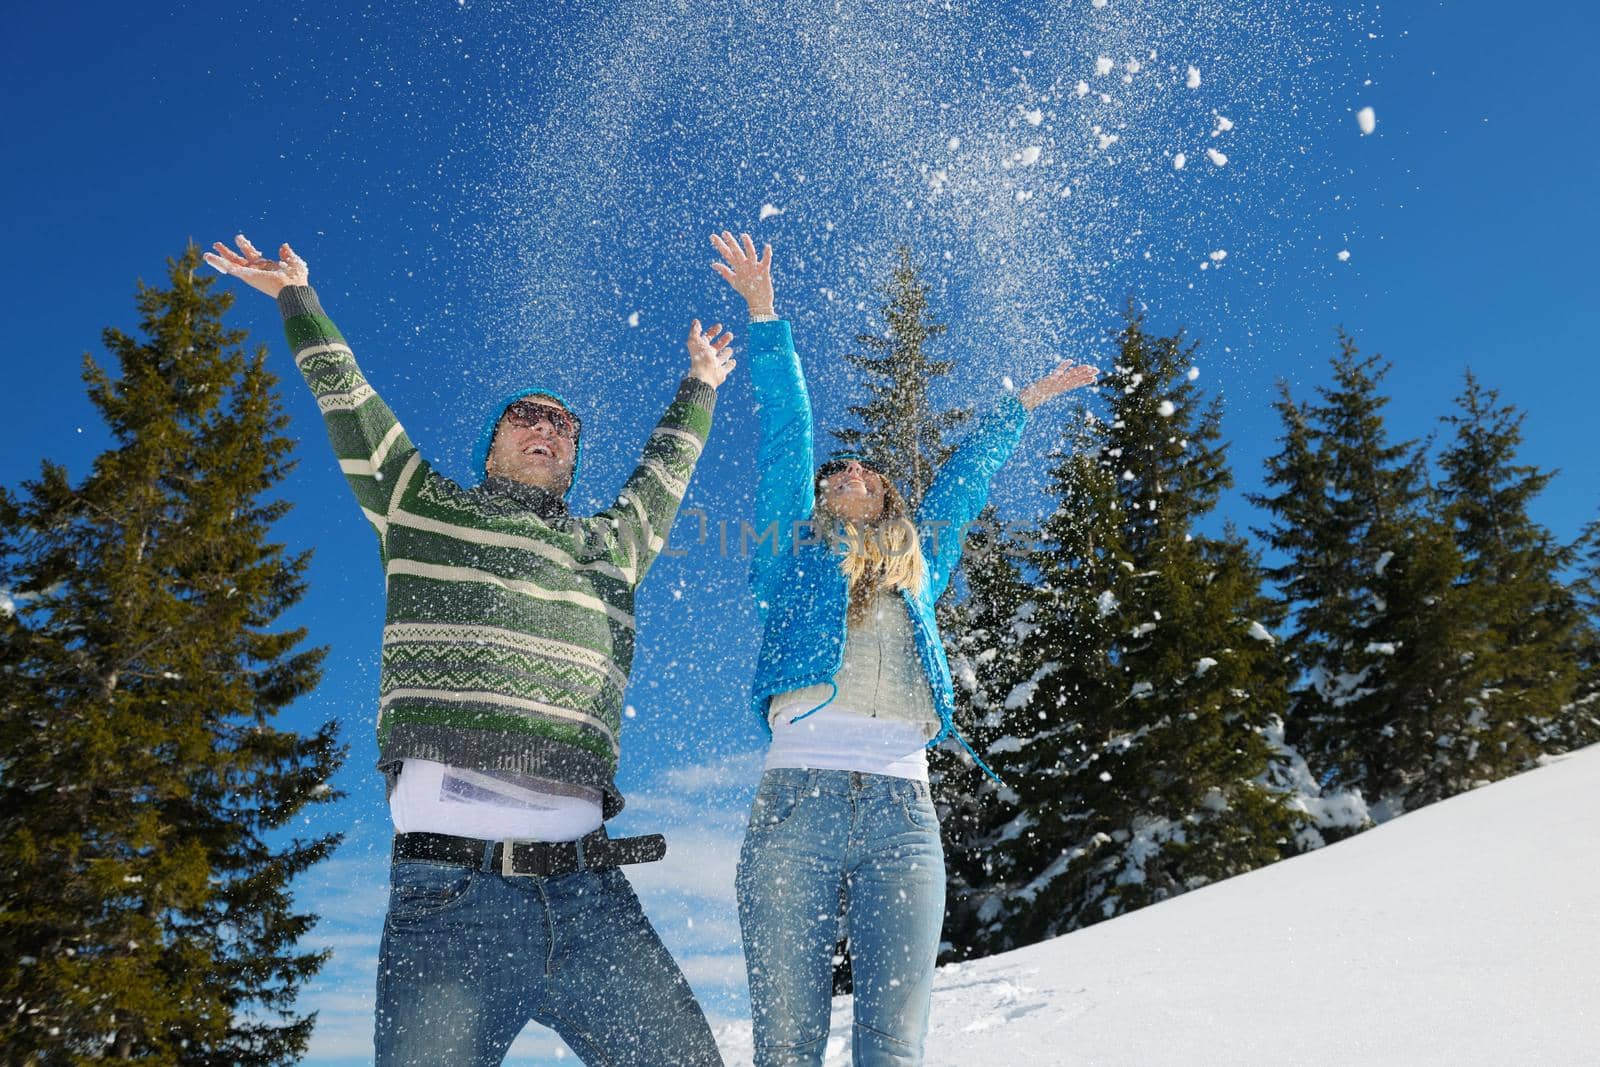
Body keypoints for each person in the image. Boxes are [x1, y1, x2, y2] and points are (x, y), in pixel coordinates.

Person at [204, 235, 732, 1066]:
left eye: (563, 425)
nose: (546, 428)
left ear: (570, 457)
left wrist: (699, 384)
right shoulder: (420, 506)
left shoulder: (610, 546)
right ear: (491, 443)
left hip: (594, 896)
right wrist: (297, 299)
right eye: (526, 414)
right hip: (450, 902)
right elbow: (352, 404)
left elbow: (664, 475)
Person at [709, 231, 1097, 1066]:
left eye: (863, 468)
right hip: (796, 801)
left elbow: (964, 480)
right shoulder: (789, 551)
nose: (846, 470)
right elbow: (788, 431)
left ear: (885, 492)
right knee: (786, 1045)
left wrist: (1021, 405)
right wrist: (766, 318)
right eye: (834, 470)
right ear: (819, 497)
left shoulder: (919, 562)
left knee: (894, 1046)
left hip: (903, 812)